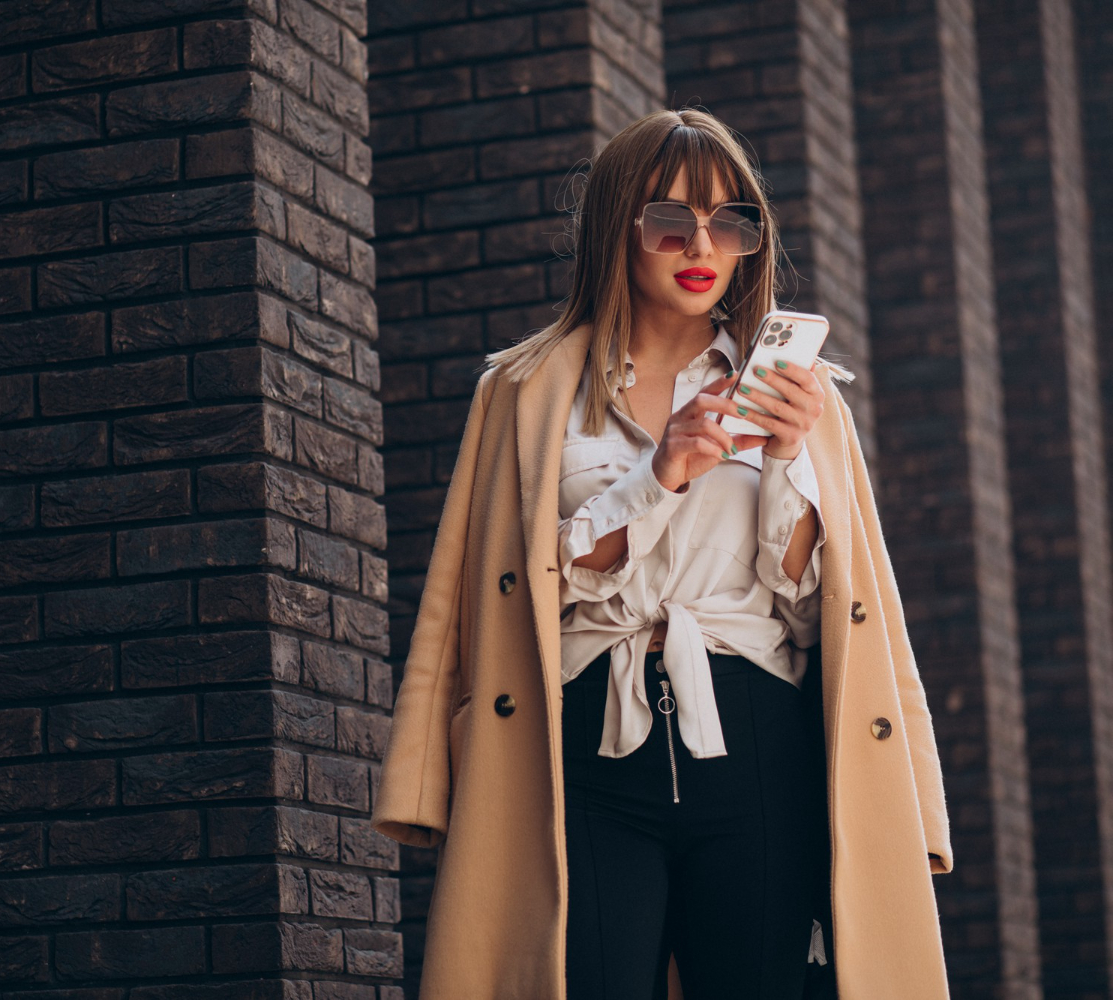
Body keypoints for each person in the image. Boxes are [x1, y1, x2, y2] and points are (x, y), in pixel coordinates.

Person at [371, 108, 954, 1000]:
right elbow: (505, 591)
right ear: (618, 228)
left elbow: (818, 608)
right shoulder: (524, 392)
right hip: (581, 748)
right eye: (668, 218)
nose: (701, 243)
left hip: (759, 738)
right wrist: (660, 474)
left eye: (732, 221)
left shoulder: (808, 402)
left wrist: (787, 458)